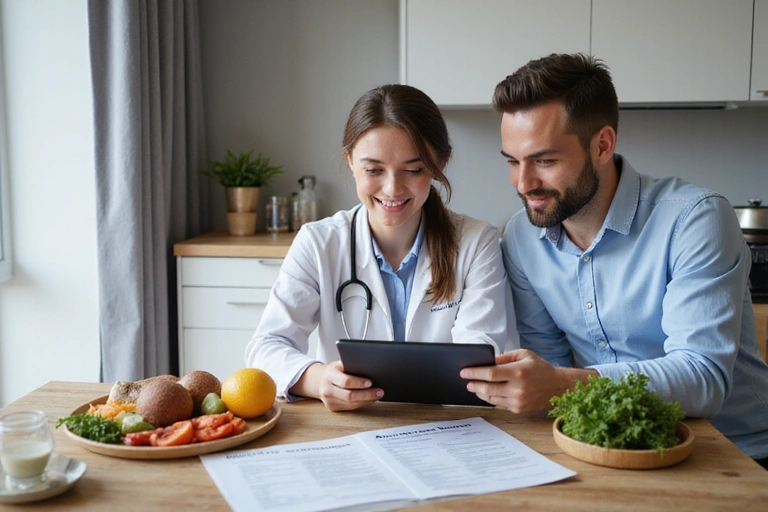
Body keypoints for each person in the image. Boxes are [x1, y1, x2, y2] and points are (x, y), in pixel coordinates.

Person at [461, 53, 768, 466]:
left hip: (732, 456)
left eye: (545, 161)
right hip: (605, 447)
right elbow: (548, 368)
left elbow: (703, 380)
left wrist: (559, 384)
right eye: (513, 161)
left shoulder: (695, 218)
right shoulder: (521, 235)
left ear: (602, 145)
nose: (524, 183)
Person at [245, 84, 514, 412]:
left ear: (440, 162)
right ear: (350, 162)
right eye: (373, 170)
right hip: (353, 426)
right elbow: (266, 346)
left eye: (413, 170)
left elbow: (479, 353)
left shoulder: (476, 243)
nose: (392, 189)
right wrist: (318, 380)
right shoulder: (319, 243)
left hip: (450, 426)